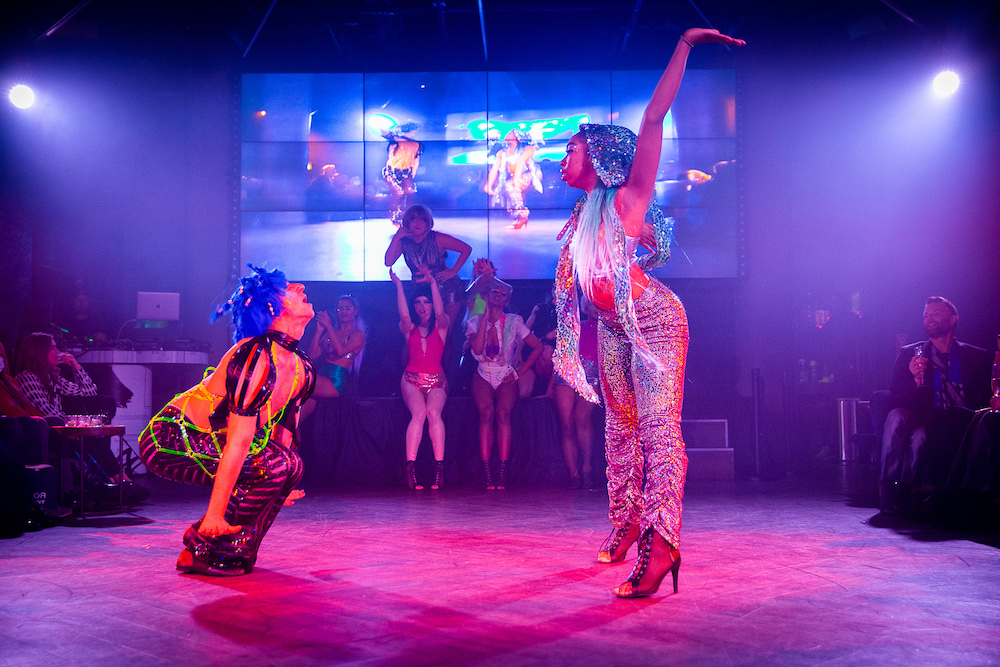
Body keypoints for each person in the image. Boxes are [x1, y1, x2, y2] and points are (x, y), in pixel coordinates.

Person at [553, 28, 745, 598]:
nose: (564, 157)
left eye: (571, 149)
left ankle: (662, 545)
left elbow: (655, 118)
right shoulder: (581, 213)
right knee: (619, 429)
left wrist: (685, 45)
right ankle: (627, 520)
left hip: (655, 323)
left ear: (600, 156)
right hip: (615, 328)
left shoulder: (626, 197)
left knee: (660, 433)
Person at [138, 266, 316, 576]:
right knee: (275, 466)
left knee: (289, 465)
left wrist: (281, 484)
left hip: (218, 443)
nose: (301, 287)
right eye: (289, 287)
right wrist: (214, 513)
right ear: (272, 308)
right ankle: (207, 539)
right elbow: (239, 442)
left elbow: (282, 437)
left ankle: (211, 548)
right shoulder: (255, 358)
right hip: (167, 439)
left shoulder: (302, 368)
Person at [879, 297, 991, 515]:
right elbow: (895, 401)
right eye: (926, 315)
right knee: (896, 418)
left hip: (961, 422)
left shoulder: (976, 356)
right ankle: (891, 493)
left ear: (953, 319)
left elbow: (984, 398)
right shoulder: (910, 355)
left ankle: (910, 494)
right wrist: (915, 381)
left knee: (922, 436)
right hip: (924, 417)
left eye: (936, 313)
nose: (929, 319)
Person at [466, 280, 542, 489]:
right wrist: (485, 320)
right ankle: (487, 471)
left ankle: (502, 470)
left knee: (502, 414)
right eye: (494, 292)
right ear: (488, 296)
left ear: (507, 300)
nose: (498, 295)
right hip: (483, 372)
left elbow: (537, 347)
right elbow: (479, 349)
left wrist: (519, 372)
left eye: (502, 293)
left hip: (505, 372)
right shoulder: (475, 320)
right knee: (487, 413)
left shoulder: (514, 321)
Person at [390, 266, 450, 490]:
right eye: (419, 303)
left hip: (436, 378)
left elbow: (442, 313)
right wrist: (398, 286)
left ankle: (438, 471)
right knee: (419, 413)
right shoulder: (409, 328)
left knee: (434, 413)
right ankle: (411, 470)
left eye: (427, 302)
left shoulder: (441, 326)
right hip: (411, 378)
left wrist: (433, 283)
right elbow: (403, 314)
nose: (422, 306)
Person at [385, 204, 472, 338]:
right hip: (421, 289)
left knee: (445, 332)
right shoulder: (405, 242)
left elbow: (466, 248)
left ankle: (444, 359)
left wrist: (453, 271)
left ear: (428, 223)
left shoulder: (437, 238)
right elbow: (388, 262)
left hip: (447, 288)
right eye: (413, 219)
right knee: (419, 332)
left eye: (422, 219)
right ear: (407, 221)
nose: (418, 223)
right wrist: (397, 237)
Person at [550, 298, 600, 489]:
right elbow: (560, 352)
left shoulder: (608, 330)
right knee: (567, 423)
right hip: (567, 373)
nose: (595, 309)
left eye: (598, 306)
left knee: (582, 418)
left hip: (592, 375)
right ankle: (573, 474)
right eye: (591, 305)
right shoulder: (574, 326)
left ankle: (586, 468)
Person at [299, 295, 367, 423]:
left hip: (334, 381)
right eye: (339, 309)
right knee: (295, 421)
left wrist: (329, 325)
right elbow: (312, 355)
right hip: (320, 377)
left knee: (302, 379)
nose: (343, 312)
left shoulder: (358, 334)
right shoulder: (331, 333)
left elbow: (340, 351)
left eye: (348, 308)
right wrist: (319, 331)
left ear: (355, 311)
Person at [486, 129, 542, 230]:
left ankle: (522, 217)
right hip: (516, 176)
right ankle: (520, 217)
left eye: (512, 132)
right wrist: (489, 184)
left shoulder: (527, 148)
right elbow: (495, 167)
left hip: (531, 174)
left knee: (510, 185)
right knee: (512, 190)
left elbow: (521, 161)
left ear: (517, 137)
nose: (508, 133)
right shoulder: (502, 152)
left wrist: (516, 178)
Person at [381, 123, 422, 225]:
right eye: (414, 130)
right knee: (399, 193)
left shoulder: (416, 144)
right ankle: (394, 217)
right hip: (392, 171)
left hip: (406, 171)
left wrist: (412, 174)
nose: (416, 133)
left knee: (410, 192)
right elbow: (384, 132)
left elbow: (416, 159)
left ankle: (407, 217)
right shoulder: (396, 140)